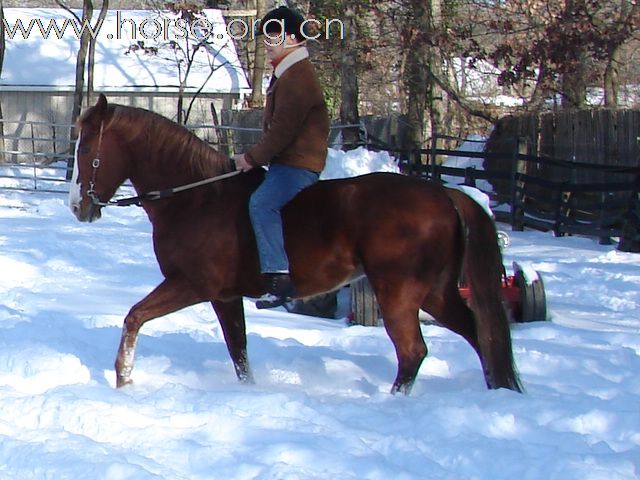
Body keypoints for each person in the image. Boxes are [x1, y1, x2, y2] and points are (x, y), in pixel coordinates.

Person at [234, 6, 330, 309]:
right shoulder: (287, 74)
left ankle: (279, 277)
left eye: (271, 36)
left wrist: (251, 158)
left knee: (262, 203)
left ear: (290, 37)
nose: (266, 41)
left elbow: (282, 131)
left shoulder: (297, 77)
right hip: (286, 162)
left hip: (297, 165)